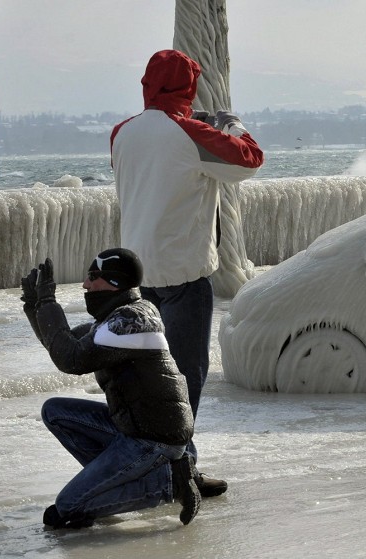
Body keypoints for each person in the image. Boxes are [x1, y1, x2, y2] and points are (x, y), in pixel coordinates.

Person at [110, 49, 264, 498]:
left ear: (147, 84)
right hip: (183, 275)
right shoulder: (190, 132)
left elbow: (157, 170)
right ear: (190, 88)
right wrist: (229, 127)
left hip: (135, 276)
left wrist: (194, 126)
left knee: (142, 379)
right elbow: (249, 160)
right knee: (185, 378)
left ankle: (139, 463)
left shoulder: (122, 133)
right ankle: (180, 470)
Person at [20, 249, 201, 529]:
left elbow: (72, 360)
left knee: (68, 508)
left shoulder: (131, 323)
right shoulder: (116, 319)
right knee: (54, 411)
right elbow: (61, 344)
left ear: (115, 283)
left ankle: (169, 481)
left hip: (154, 441)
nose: (85, 285)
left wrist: (47, 301)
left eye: (93, 277)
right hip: (132, 428)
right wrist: (34, 306)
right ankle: (120, 482)